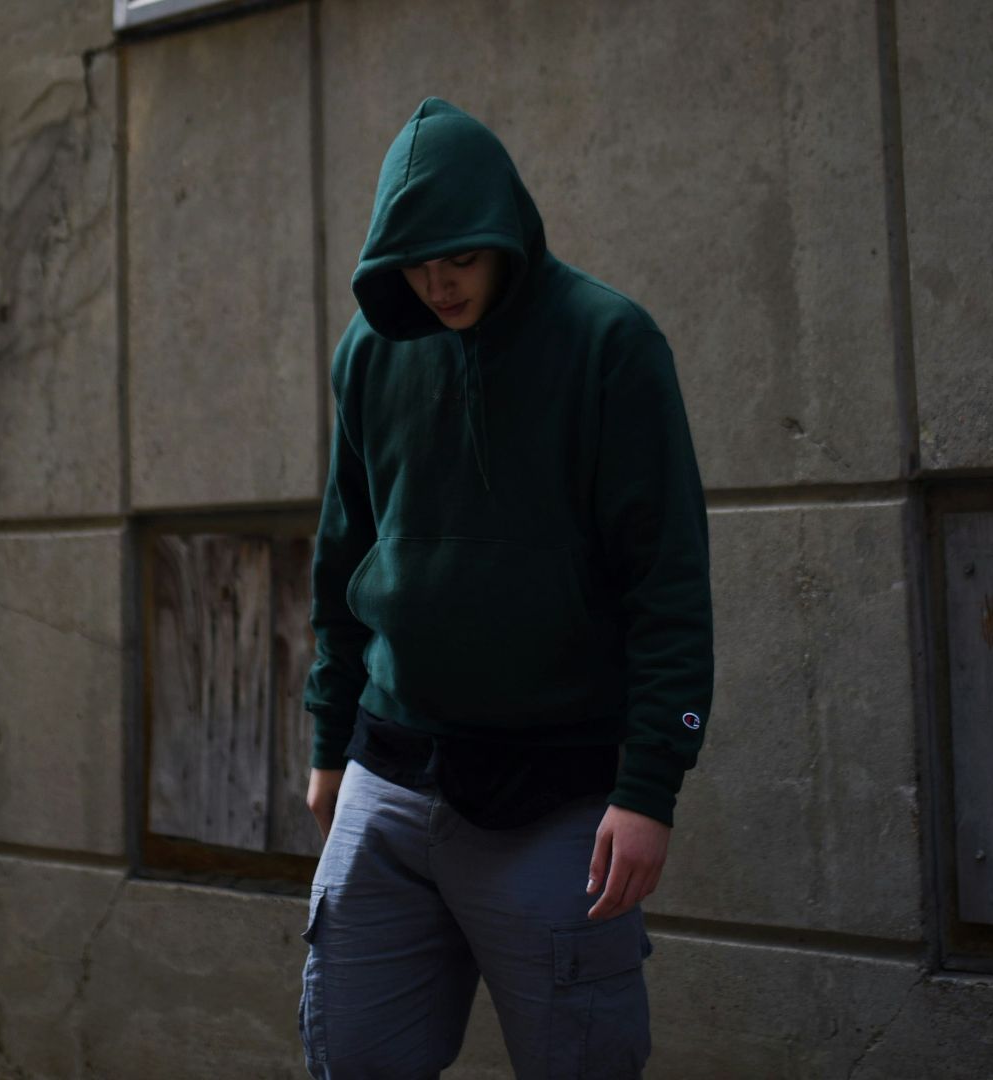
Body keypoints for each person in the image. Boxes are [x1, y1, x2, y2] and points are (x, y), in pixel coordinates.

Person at [298, 97, 714, 1080]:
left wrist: (650, 785)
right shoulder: (368, 354)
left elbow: (669, 583)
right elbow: (341, 554)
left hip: (557, 793)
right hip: (388, 778)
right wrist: (327, 740)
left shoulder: (611, 346)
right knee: (346, 1056)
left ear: (505, 234)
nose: (437, 282)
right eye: (416, 261)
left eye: (461, 257)